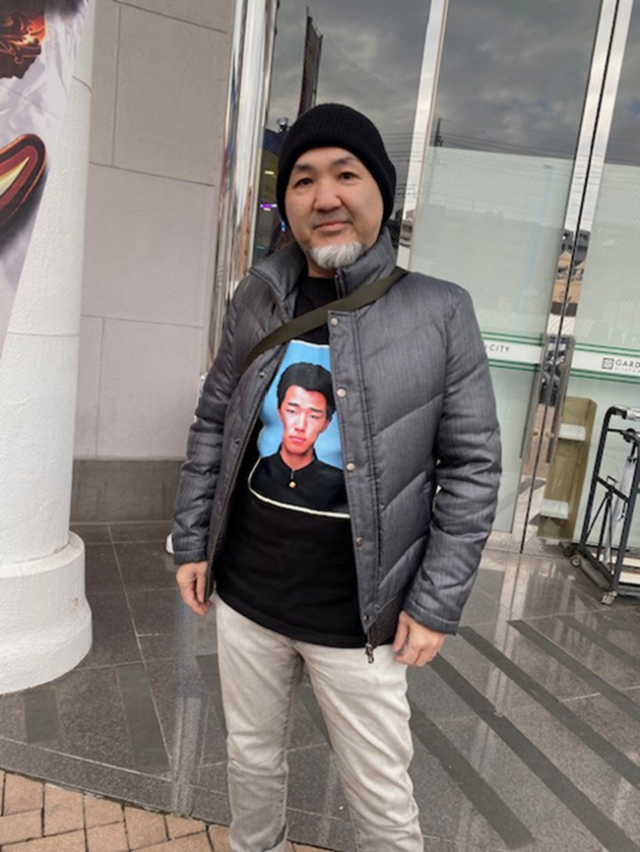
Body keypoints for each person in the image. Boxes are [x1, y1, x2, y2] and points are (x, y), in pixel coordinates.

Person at [172, 103, 501, 852]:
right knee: (251, 763)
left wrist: (436, 602)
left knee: (382, 804)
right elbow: (214, 420)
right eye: (303, 180)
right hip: (248, 596)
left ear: (381, 191)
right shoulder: (257, 297)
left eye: (345, 175)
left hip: (362, 622)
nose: (325, 197)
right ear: (286, 200)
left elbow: (474, 469)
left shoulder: (440, 311)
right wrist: (191, 540)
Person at [250, 361, 348, 513]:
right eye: (292, 411)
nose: (300, 426)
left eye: (314, 416)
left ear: (326, 423)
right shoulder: (256, 472)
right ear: (279, 411)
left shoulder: (340, 482)